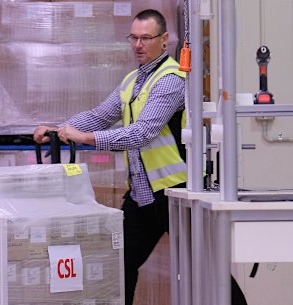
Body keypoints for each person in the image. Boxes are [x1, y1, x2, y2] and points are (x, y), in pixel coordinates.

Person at [33, 9, 247, 305]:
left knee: (207, 268)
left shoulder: (171, 79)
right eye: (133, 37)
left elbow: (142, 133)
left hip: (178, 194)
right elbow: (100, 115)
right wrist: (59, 129)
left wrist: (86, 139)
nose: (137, 44)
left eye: (145, 38)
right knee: (119, 263)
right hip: (144, 195)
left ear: (164, 40)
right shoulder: (133, 80)